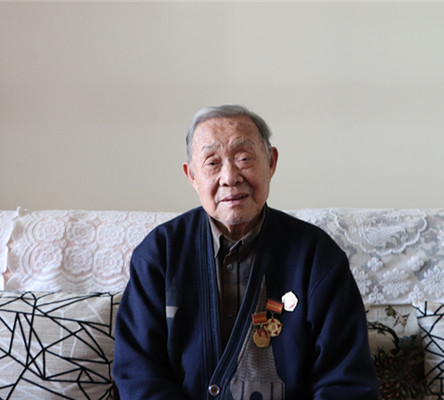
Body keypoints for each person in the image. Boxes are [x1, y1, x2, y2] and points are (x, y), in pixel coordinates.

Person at [113, 105, 379, 399]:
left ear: (271, 163)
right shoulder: (159, 253)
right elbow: (139, 376)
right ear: (192, 176)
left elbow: (346, 382)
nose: (230, 177)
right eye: (212, 163)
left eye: (244, 158)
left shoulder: (317, 256)